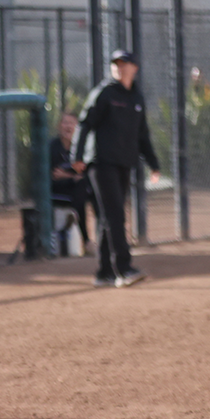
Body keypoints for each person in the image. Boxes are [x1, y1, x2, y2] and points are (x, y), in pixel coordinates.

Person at [72, 49, 162, 288]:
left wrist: (153, 163)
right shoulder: (104, 94)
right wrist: (77, 156)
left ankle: (104, 272)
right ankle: (124, 268)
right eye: (116, 64)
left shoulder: (136, 98)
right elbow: (84, 123)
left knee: (107, 218)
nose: (119, 67)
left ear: (135, 68)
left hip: (123, 163)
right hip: (101, 164)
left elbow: (142, 135)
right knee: (115, 215)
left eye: (124, 64)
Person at [50, 111, 89, 255]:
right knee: (80, 189)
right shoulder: (52, 146)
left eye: (71, 123)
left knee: (83, 188)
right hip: (57, 188)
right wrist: (72, 175)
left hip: (77, 187)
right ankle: (86, 240)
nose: (68, 126)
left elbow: (84, 172)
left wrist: (67, 175)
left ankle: (98, 241)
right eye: (64, 123)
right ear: (59, 126)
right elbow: (54, 175)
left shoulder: (81, 146)